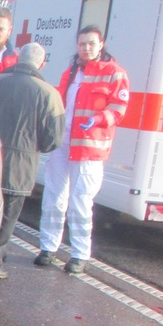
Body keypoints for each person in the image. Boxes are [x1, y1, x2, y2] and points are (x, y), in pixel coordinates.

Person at [35, 25, 130, 275]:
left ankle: (79, 254)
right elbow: (60, 100)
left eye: (91, 43)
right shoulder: (72, 71)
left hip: (89, 147)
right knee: (54, 196)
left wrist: (99, 119)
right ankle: (48, 247)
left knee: (80, 202)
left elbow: (119, 107)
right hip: (63, 142)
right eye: (82, 44)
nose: (86, 48)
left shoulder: (114, 73)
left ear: (101, 45)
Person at [0, 43, 64, 280]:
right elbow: (53, 139)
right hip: (21, 165)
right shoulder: (49, 94)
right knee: (8, 215)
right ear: (42, 63)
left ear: (18, 58)